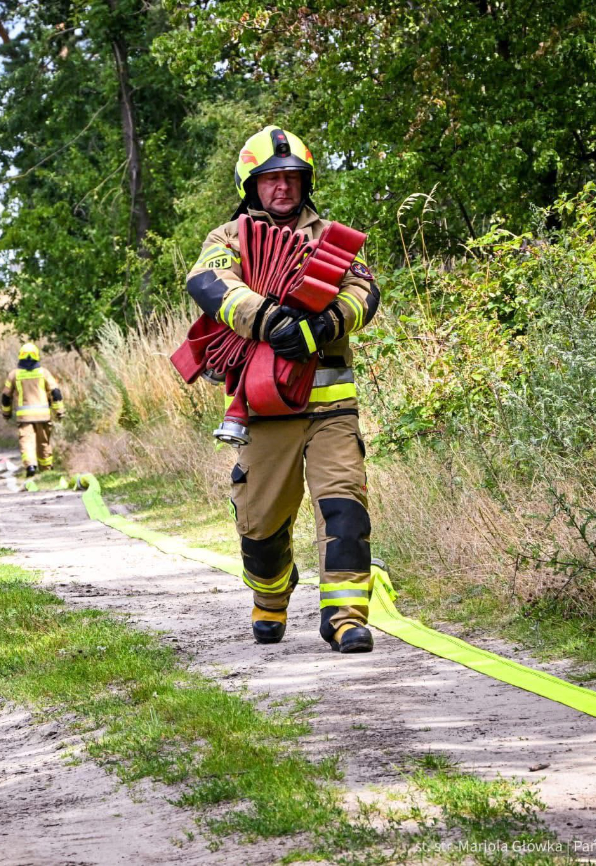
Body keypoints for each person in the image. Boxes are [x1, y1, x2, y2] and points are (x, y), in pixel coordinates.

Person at [185, 126, 384, 653]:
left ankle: (346, 617)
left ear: (305, 183)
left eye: (292, 178)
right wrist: (266, 320)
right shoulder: (228, 238)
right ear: (251, 185)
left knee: (344, 510)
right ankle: (272, 597)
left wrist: (327, 325)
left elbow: (365, 291)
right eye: (271, 179)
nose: (282, 188)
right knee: (260, 527)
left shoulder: (331, 240)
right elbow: (208, 283)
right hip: (263, 411)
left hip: (331, 408)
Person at [1, 342, 65, 477]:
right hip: (43, 416)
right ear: (37, 356)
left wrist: (6, 413)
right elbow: (56, 393)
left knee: (27, 442)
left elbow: (6, 396)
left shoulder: (14, 375)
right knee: (43, 442)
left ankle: (31, 466)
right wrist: (59, 411)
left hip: (25, 418)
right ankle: (47, 470)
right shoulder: (44, 373)